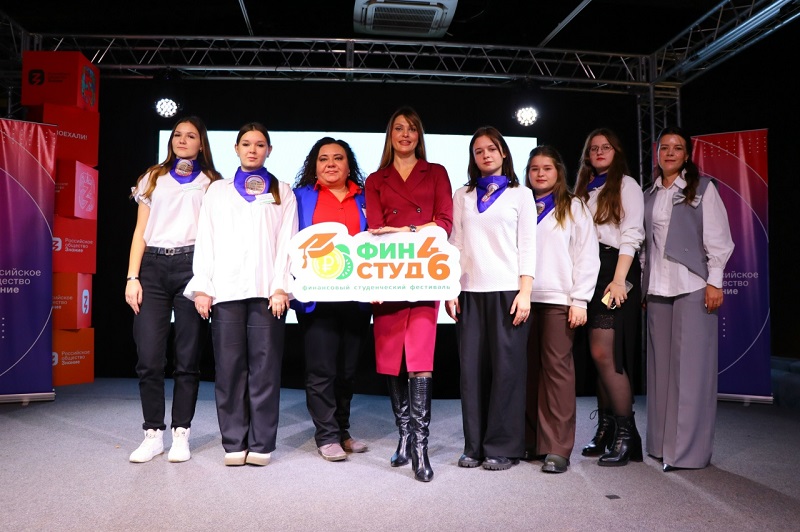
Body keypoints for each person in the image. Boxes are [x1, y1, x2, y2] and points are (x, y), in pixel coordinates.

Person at [184, 122, 298, 467]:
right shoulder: (217, 191)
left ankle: (261, 444)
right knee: (229, 369)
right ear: (236, 149)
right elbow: (206, 238)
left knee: (265, 369)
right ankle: (234, 442)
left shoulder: (282, 190)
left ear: (269, 150)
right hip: (226, 290)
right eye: (246, 144)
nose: (252, 149)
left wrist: (281, 285)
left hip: (267, 293)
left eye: (260, 144)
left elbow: (287, 242)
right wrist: (203, 286)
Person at [126, 116, 222, 463]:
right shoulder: (153, 177)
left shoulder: (212, 182)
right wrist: (132, 277)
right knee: (149, 357)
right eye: (177, 135)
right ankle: (153, 433)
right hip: (152, 267)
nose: (182, 140)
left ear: (201, 143)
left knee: (187, 357)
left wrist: (208, 281)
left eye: (190, 135)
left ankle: (181, 432)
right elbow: (140, 231)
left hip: (192, 267)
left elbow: (216, 235)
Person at [364, 106, 453, 482]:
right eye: (398, 128)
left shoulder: (437, 172)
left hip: (423, 275)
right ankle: (403, 435)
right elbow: (374, 229)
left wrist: (404, 231)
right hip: (388, 275)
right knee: (391, 361)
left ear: (419, 135)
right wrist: (418, 228)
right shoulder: (376, 178)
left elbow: (444, 223)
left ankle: (420, 446)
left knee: (420, 359)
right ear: (390, 135)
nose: (405, 134)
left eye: (412, 128)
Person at [642, 126, 734, 472]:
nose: (669, 153)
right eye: (664, 147)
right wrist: (644, 283)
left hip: (693, 284)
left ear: (686, 155)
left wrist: (715, 282)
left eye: (677, 148)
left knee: (691, 372)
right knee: (659, 371)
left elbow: (719, 239)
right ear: (657, 153)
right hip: (657, 288)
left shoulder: (703, 189)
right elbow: (646, 247)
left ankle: (685, 453)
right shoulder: (649, 193)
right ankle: (659, 446)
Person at [447, 126, 536, 471]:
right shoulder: (463, 195)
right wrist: (451, 288)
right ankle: (474, 446)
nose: (485, 155)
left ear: (503, 153)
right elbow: (455, 244)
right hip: (470, 291)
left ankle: (503, 447)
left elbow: (528, 246)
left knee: (507, 372)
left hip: (508, 292)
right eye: (479, 150)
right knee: (471, 373)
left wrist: (525, 292)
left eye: (491, 149)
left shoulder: (521, 194)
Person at [291, 137, 371, 462]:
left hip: (357, 296)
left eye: (338, 158)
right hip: (317, 298)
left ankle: (342, 431)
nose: (331, 164)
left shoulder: (366, 197)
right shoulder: (300, 197)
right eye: (323, 159)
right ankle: (326, 436)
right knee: (322, 369)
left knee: (347, 370)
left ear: (349, 165)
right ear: (315, 165)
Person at [523, 145, 599, 473]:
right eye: (534, 168)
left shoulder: (574, 206)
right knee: (528, 372)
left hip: (558, 299)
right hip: (523, 299)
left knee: (557, 373)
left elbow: (587, 255)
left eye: (547, 168)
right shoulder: (521, 204)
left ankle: (558, 447)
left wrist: (580, 299)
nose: (540, 174)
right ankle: (532, 441)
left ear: (559, 172)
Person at [574, 128, 645, 466]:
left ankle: (627, 435)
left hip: (616, 270)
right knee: (596, 354)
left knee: (607, 353)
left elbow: (632, 234)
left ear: (617, 152)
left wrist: (619, 280)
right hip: (591, 270)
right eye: (593, 148)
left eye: (606, 147)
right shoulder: (584, 190)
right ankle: (607, 428)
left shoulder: (626, 185)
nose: (599, 152)